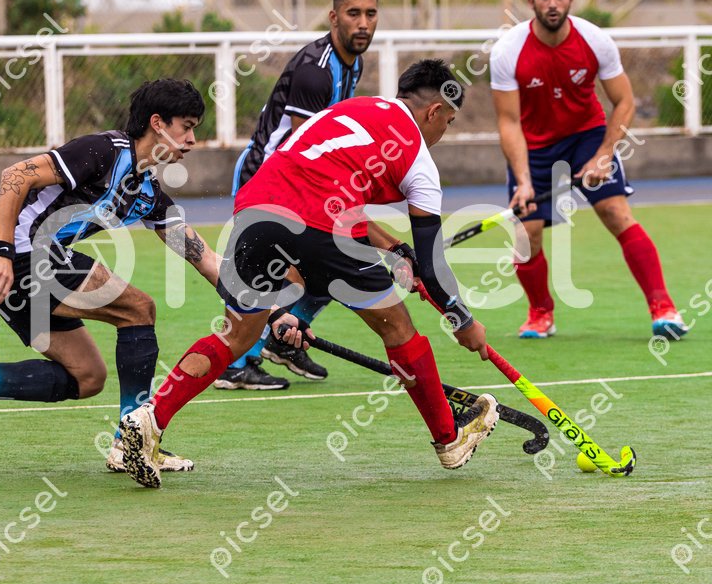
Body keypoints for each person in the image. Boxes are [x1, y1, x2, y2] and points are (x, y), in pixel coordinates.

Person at [120, 59, 499, 489]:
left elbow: (320, 184)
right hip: (324, 226)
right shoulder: (418, 158)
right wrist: (463, 321)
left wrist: (394, 250)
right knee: (398, 329)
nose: (444, 132)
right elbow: (431, 266)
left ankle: (150, 419)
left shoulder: (353, 110)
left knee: (236, 335)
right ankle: (449, 438)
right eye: (448, 122)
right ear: (434, 111)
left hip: (255, 213)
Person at [0, 78, 220, 473]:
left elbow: (204, 258)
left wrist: (259, 310)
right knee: (139, 309)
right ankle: (133, 441)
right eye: (186, 127)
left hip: (27, 263)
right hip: (21, 255)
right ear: (157, 123)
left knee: (87, 377)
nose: (192, 140)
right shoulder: (103, 151)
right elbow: (15, 176)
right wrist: (3, 253)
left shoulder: (147, 193)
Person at [490, 0, 688, 340]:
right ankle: (540, 313)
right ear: (531, 2)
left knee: (615, 212)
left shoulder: (595, 41)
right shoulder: (507, 51)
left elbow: (625, 102)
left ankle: (664, 309)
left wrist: (604, 153)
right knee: (526, 233)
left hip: (586, 135)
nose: (553, 3)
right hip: (534, 144)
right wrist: (524, 181)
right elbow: (509, 122)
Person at [218, 0, 380, 390]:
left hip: (301, 181)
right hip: (269, 179)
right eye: (354, 13)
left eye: (371, 13)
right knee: (271, 272)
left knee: (329, 268)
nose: (363, 23)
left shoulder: (353, 62)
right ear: (333, 17)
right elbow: (301, 147)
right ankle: (235, 364)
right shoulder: (316, 72)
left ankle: (281, 340)